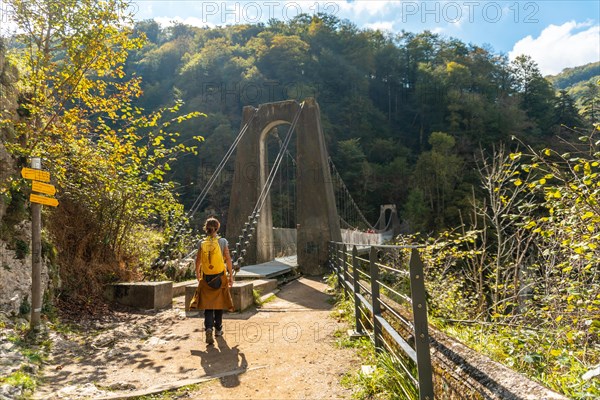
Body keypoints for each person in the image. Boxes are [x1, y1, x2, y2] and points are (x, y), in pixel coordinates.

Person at [195, 217, 234, 345]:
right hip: (220, 276)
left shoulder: (202, 242)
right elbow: (228, 259)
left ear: (206, 228)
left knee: (208, 305)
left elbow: (198, 261)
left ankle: (208, 328)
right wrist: (230, 276)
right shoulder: (222, 241)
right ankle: (218, 329)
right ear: (217, 228)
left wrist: (198, 275)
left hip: (206, 277)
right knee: (219, 303)